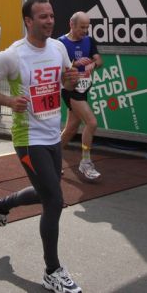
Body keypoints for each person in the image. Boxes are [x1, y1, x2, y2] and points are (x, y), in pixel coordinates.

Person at [0, 0, 82, 293]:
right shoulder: (12, 55)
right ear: (28, 21)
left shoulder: (58, 48)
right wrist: (9, 101)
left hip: (52, 135)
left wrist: (71, 80)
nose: (49, 21)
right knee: (54, 199)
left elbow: (66, 84)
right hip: (28, 138)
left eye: (51, 15)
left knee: (47, 191)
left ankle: (0, 206)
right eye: (43, 17)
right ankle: (52, 271)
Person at [58, 11, 103, 181]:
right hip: (70, 88)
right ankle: (85, 162)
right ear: (72, 24)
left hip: (84, 89)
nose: (85, 31)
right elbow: (57, 67)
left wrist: (93, 65)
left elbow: (99, 60)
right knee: (92, 123)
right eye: (82, 27)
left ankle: (52, 159)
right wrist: (75, 64)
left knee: (71, 128)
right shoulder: (60, 43)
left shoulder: (89, 40)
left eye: (87, 27)